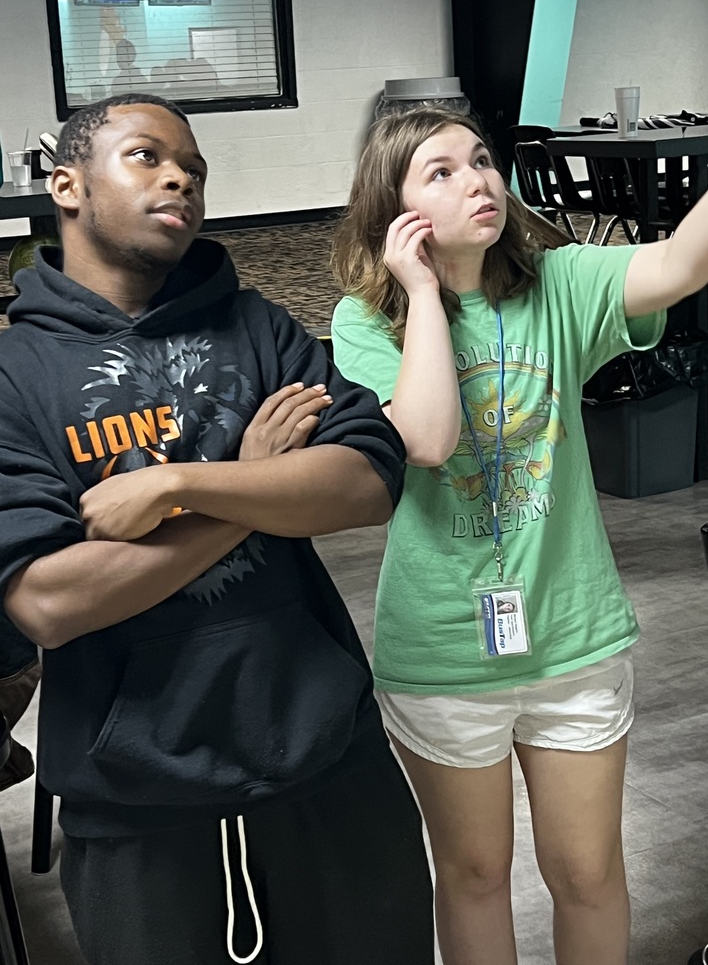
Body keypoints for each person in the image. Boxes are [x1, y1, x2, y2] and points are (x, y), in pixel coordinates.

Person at [0, 93, 434, 965]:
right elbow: (48, 600)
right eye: (147, 157)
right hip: (136, 809)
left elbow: (361, 484)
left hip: (329, 768)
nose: (181, 180)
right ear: (66, 184)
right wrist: (250, 487)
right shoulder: (15, 375)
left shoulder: (259, 325)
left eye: (195, 170)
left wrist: (183, 483)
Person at [329, 106, 708, 965]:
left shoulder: (559, 287)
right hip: (444, 652)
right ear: (396, 211)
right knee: (474, 874)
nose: (477, 180)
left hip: (572, 636)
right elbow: (425, 439)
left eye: (482, 160)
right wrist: (423, 293)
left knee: (588, 872)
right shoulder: (364, 323)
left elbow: (678, 265)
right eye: (441, 172)